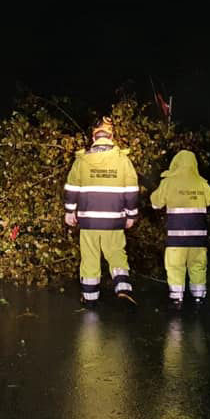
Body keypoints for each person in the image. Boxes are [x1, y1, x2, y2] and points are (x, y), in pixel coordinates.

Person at [63, 117, 140, 307]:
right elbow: (131, 192)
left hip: (89, 221)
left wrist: (69, 212)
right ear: (112, 136)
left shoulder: (82, 161)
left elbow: (71, 189)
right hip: (114, 220)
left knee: (90, 258)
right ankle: (122, 289)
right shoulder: (123, 161)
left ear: (93, 137)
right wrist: (131, 216)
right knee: (116, 255)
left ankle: (90, 300)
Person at [150, 150, 210, 311]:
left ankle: (177, 299)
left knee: (175, 266)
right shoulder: (202, 183)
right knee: (198, 266)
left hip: (176, 237)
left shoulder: (169, 182)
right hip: (198, 237)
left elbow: (156, 204)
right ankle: (199, 297)